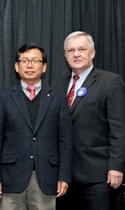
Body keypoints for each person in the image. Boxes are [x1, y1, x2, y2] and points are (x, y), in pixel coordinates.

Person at [0, 43, 73, 210]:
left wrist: (64, 176)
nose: (30, 65)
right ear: (16, 67)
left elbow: (66, 141)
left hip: (47, 177)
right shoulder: (3, 98)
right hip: (11, 177)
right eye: (24, 61)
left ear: (44, 66)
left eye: (35, 60)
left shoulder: (58, 98)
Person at [53, 31, 125, 210]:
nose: (76, 54)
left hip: (99, 178)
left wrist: (116, 167)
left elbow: (119, 129)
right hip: (65, 179)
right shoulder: (57, 85)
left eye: (82, 49)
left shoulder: (110, 82)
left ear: (92, 53)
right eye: (71, 50)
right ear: (65, 55)